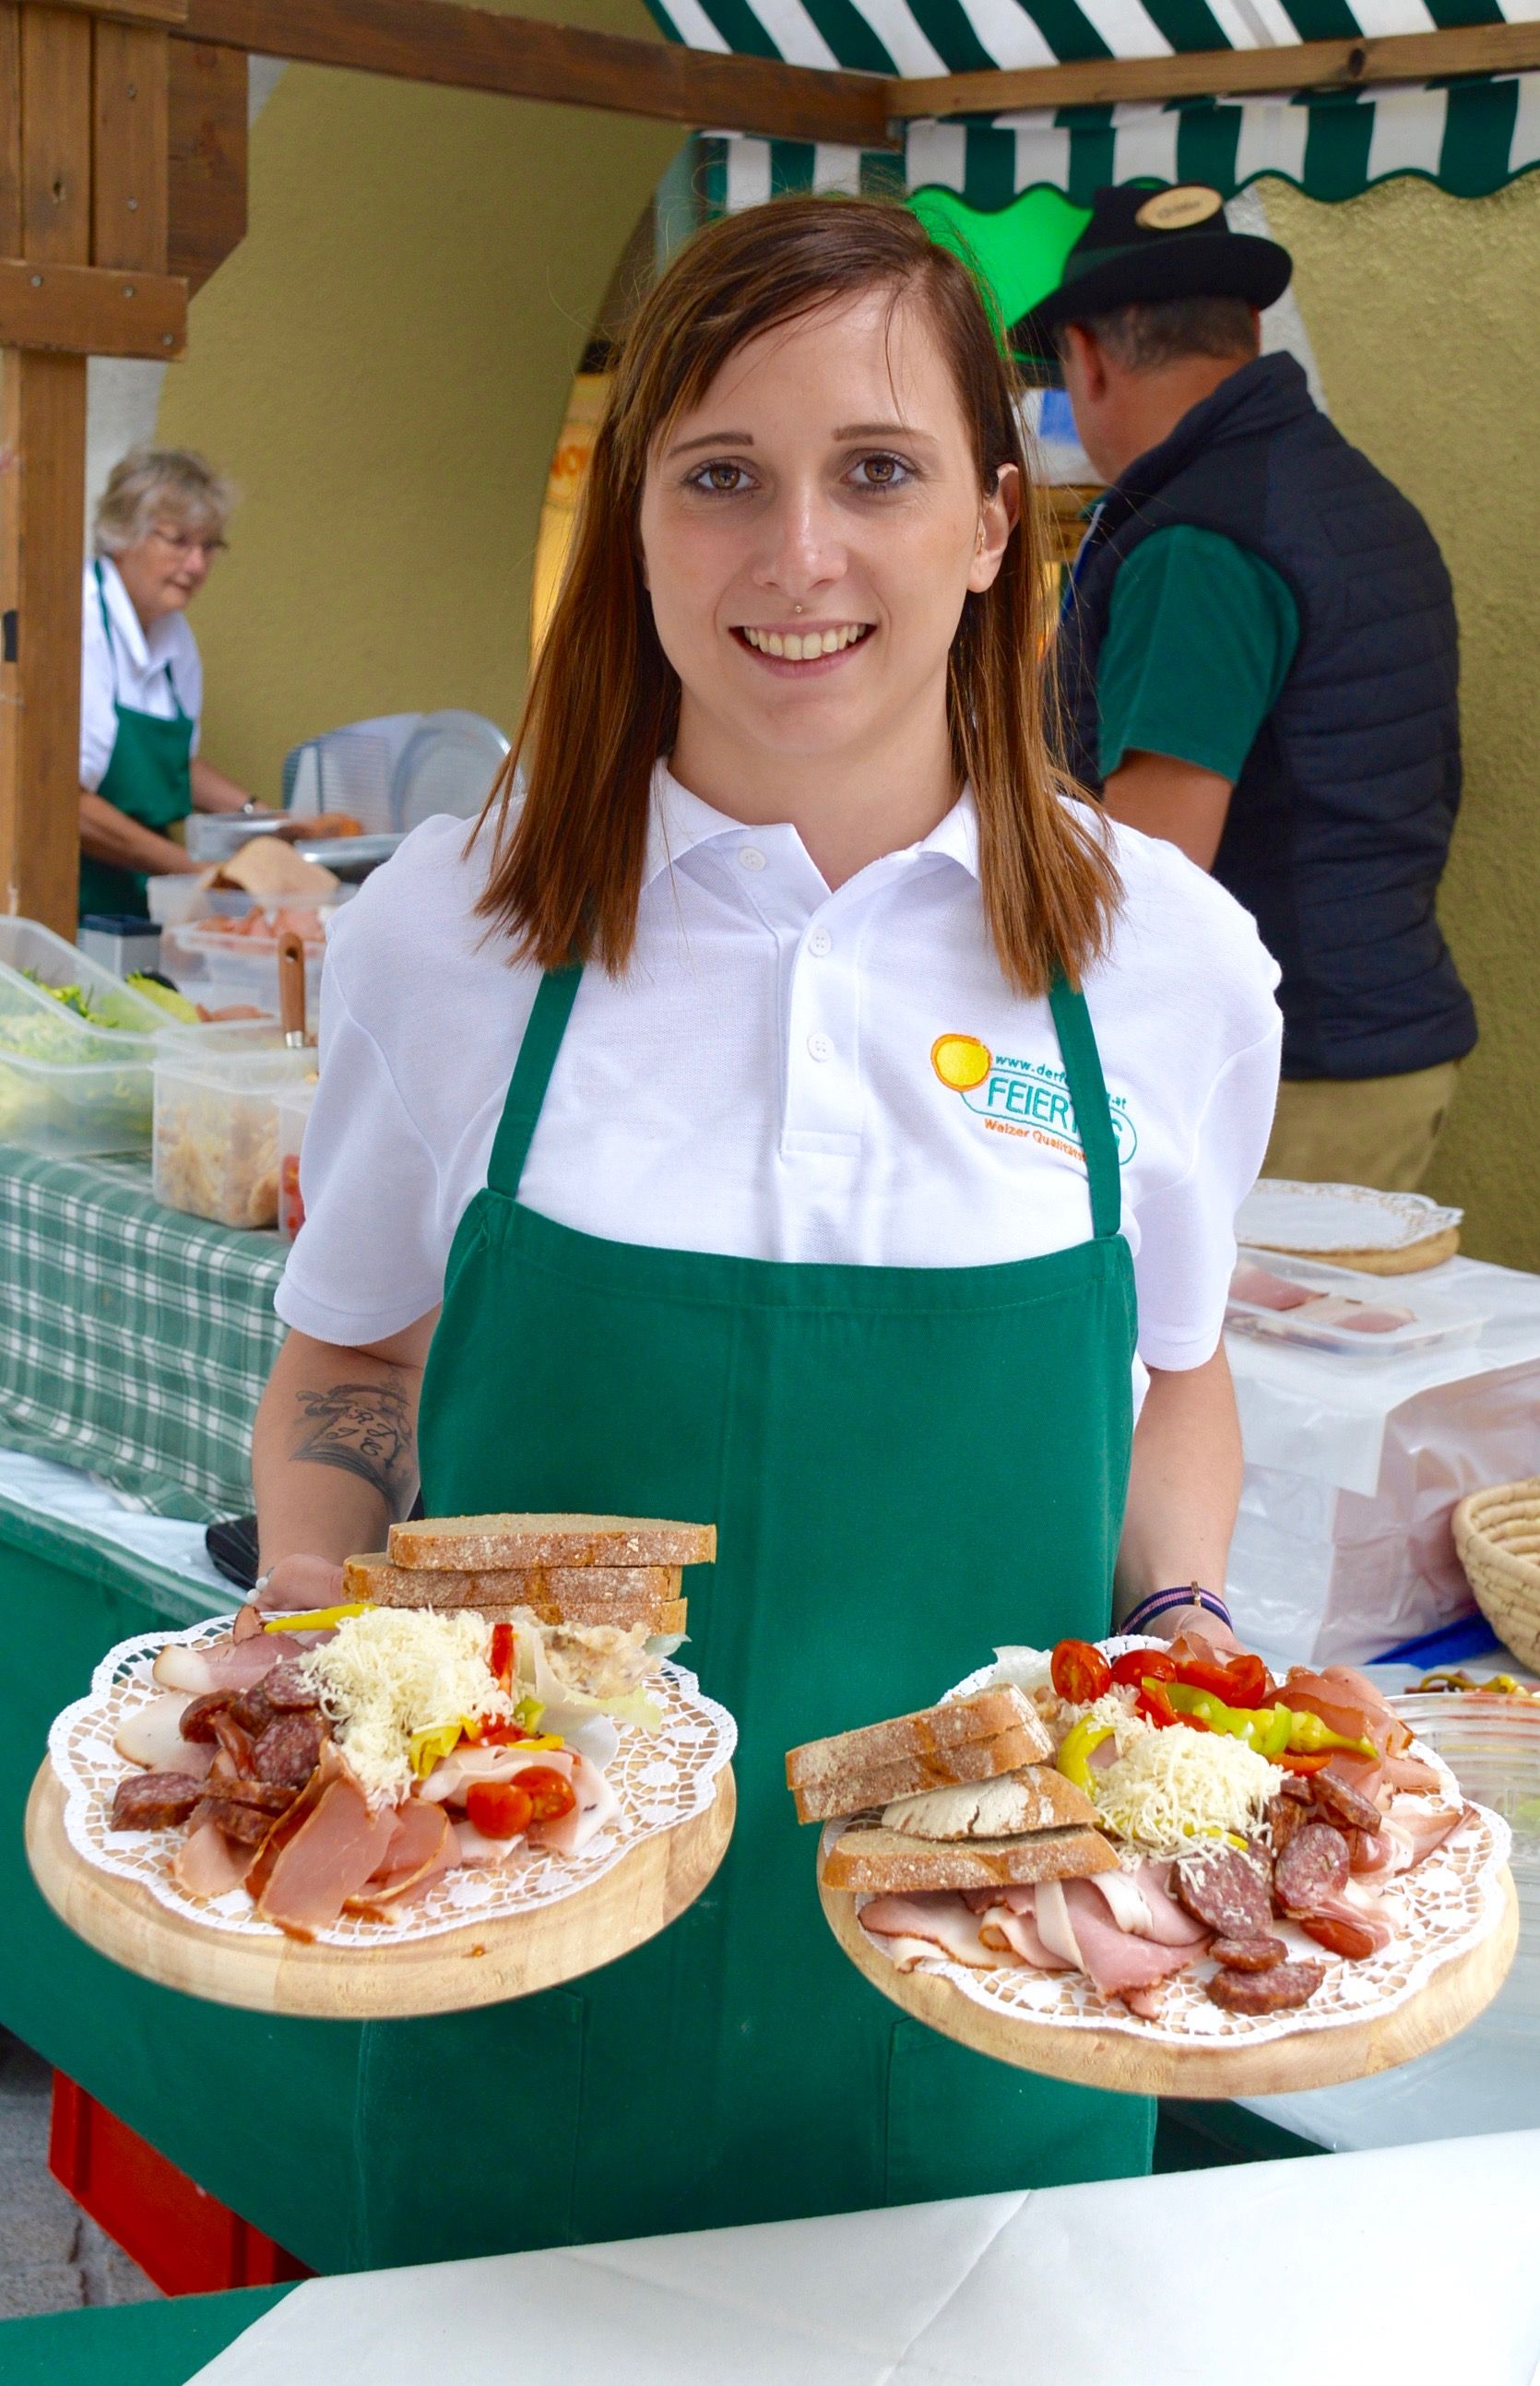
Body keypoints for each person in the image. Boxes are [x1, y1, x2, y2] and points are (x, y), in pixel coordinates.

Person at [251, 195, 1281, 2267]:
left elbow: (1177, 1381)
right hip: (515, 1984)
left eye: (876, 471)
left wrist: (1182, 1627)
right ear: (633, 530)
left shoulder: (1162, 962)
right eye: (720, 476)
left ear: (993, 524)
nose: (798, 556)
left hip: (1002, 2015)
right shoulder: (453, 934)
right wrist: (309, 1624)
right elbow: (349, 1362)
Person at [1015, 185, 1475, 1193]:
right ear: (1250, 332)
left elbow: (1151, 872)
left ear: (1087, 357)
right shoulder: (1344, 492)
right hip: (1365, 1037)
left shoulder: (1197, 544)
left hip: (1279, 1071)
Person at [80, 446, 266, 921]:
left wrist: (264, 820)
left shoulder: (173, 634)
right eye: (179, 541)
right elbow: (67, 805)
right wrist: (197, 872)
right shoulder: (80, 619)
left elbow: (177, 765)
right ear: (122, 534)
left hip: (134, 896)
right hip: (67, 887)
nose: (197, 565)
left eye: (209, 546)